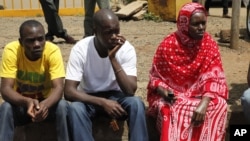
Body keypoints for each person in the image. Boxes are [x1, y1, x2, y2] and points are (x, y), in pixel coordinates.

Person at [147, 2, 228, 141]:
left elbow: (214, 79)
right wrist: (164, 91)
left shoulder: (209, 44)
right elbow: (155, 78)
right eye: (196, 24)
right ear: (184, 24)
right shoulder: (168, 45)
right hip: (175, 96)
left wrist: (204, 103)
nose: (201, 28)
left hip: (202, 94)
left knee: (220, 105)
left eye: (203, 23)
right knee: (171, 109)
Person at [64, 9, 149, 141]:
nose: (114, 36)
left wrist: (113, 58)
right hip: (89, 98)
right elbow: (69, 92)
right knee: (75, 109)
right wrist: (103, 102)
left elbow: (130, 90)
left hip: (116, 97)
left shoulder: (126, 48)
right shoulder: (81, 49)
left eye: (117, 31)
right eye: (108, 32)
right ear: (95, 31)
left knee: (136, 103)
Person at [0, 20, 69, 141]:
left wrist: (44, 105)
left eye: (40, 39)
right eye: (30, 40)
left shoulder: (52, 51)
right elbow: (5, 89)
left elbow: (58, 87)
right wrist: (27, 102)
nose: (37, 44)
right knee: (6, 108)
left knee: (62, 107)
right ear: (21, 42)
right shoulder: (12, 51)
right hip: (21, 104)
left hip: (46, 104)